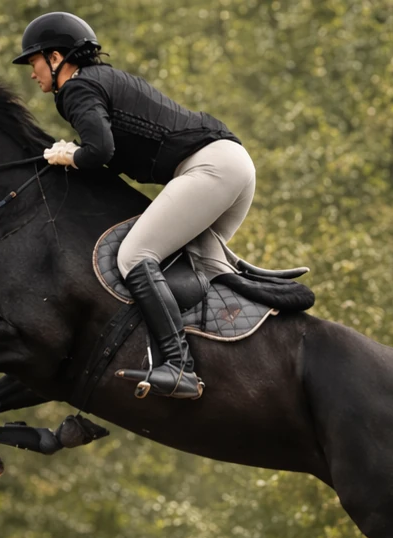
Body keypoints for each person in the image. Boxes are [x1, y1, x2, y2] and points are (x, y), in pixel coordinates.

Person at [15, 11, 258, 400]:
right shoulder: (104, 79)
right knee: (196, 269)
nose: (32, 73)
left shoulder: (76, 88)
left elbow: (99, 151)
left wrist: (69, 155)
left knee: (133, 257)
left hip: (208, 169)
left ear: (56, 57)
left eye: (34, 61)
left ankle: (179, 367)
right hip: (234, 165)